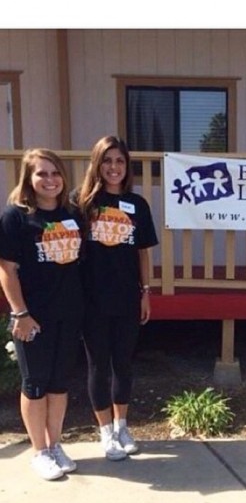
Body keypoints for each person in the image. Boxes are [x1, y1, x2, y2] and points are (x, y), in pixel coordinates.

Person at [0, 149, 83, 480]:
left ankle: (55, 444)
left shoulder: (71, 215)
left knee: (59, 383)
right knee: (35, 384)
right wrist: (20, 313)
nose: (50, 179)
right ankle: (39, 451)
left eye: (55, 173)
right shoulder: (16, 218)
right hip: (32, 316)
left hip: (69, 313)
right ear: (28, 179)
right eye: (41, 174)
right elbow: (6, 270)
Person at [75, 136, 158, 461]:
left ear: (127, 167)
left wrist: (146, 292)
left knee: (123, 363)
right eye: (107, 161)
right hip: (91, 299)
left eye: (119, 161)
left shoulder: (137, 205)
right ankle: (105, 432)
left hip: (126, 297)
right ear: (97, 164)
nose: (113, 167)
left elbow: (143, 254)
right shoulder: (80, 204)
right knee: (98, 366)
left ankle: (123, 425)